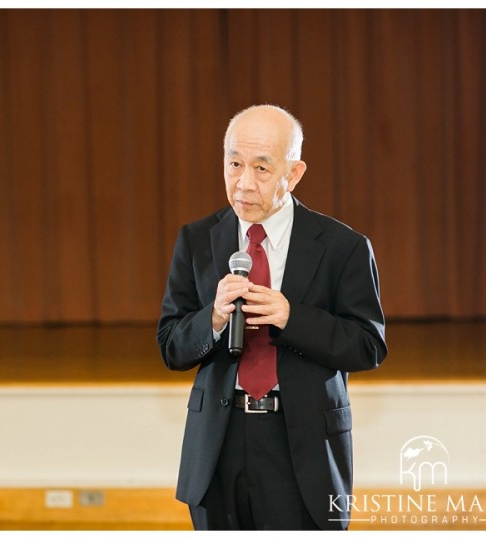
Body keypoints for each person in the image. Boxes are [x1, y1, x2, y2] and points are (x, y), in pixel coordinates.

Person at [157, 104, 387, 530]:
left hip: (301, 443)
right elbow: (171, 344)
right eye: (234, 164)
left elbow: (368, 345)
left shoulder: (343, 247)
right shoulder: (197, 240)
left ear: (294, 173)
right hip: (219, 444)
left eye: (261, 169)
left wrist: (290, 316)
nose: (244, 183)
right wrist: (213, 319)